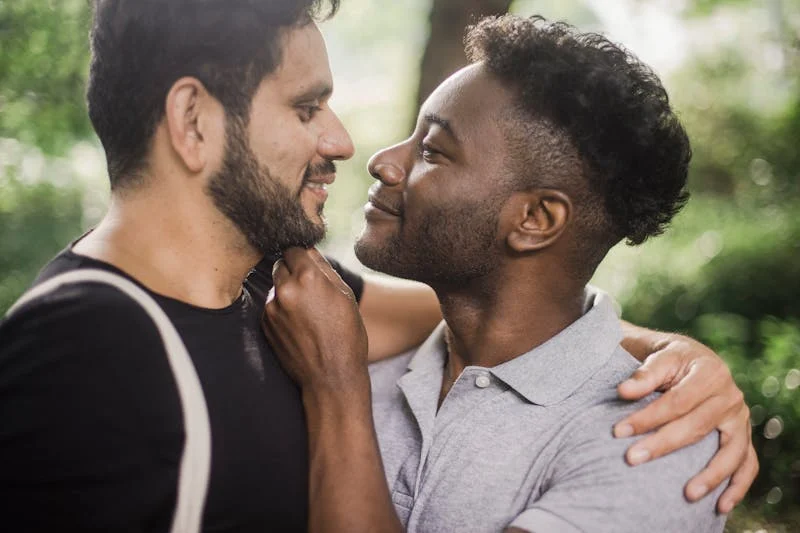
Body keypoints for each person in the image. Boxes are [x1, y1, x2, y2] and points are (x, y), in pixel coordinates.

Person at [0, 1, 751, 532]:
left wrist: (669, 353)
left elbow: (505, 322)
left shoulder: (296, 299)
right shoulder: (83, 346)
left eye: (431, 149)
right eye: (305, 108)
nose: (354, 147)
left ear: (535, 219)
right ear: (193, 122)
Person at [261, 14, 756, 533]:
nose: (383, 162)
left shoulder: (658, 442)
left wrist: (336, 393)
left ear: (534, 220)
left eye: (431, 151)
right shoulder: (342, 347)